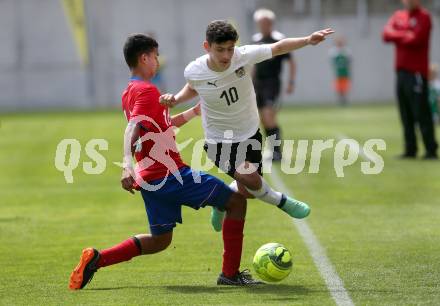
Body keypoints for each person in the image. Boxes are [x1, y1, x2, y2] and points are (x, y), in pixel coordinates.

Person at [69, 34, 262, 290]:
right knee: (236, 201)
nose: (158, 62)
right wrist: (126, 165)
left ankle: (97, 259)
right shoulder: (148, 91)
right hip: (171, 175)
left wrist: (194, 112)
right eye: (156, 56)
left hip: (150, 179)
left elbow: (162, 127)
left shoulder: (130, 92)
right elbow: (132, 129)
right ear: (144, 57)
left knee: (160, 241)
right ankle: (230, 273)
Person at [160, 20, 334, 231]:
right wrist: (177, 99)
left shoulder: (243, 56)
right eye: (220, 50)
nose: (226, 56)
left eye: (230, 49)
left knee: (249, 189)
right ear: (207, 47)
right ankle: (284, 202)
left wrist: (308, 40)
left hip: (250, 133)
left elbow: (278, 47)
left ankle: (220, 204)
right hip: (220, 141)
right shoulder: (194, 70)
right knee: (251, 179)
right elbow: (193, 86)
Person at [382, 0, 438, 159]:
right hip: (401, 72)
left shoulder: (424, 16)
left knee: (421, 112)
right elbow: (386, 34)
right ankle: (410, 149)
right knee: (405, 113)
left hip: (416, 73)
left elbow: (416, 39)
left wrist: (398, 34)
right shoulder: (398, 15)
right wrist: (405, 33)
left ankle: (430, 149)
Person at [252, 8, 296, 161]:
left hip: (272, 83)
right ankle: (272, 149)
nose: (264, 25)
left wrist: (291, 82)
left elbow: (291, 62)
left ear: (271, 23)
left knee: (269, 115)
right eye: (261, 23)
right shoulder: (255, 40)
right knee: (262, 118)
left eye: (267, 22)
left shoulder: (279, 40)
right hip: (258, 84)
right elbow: (253, 65)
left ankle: (277, 151)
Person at [329, 35, 351, 106]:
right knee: (339, 89)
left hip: (345, 73)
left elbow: (349, 62)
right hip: (338, 74)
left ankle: (344, 101)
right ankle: (340, 101)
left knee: (345, 89)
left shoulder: (346, 51)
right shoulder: (334, 52)